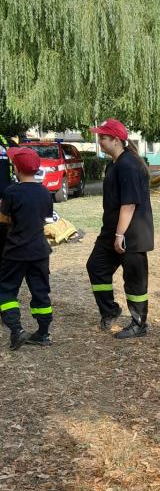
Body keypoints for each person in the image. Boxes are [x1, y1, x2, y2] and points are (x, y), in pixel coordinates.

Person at [86, 119, 154, 339]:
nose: (100, 141)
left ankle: (139, 324)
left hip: (130, 234)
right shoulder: (114, 164)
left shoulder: (129, 165)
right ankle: (110, 311)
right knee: (96, 266)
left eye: (103, 137)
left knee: (134, 279)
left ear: (116, 140)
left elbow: (129, 204)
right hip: (112, 231)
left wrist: (119, 235)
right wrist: (113, 233)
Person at [0, 146, 54, 349]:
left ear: (16, 168)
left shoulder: (11, 192)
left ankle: (16, 330)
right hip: (39, 251)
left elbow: (3, 219)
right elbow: (45, 218)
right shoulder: (44, 192)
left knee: (6, 290)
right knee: (40, 292)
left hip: (16, 251)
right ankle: (43, 333)